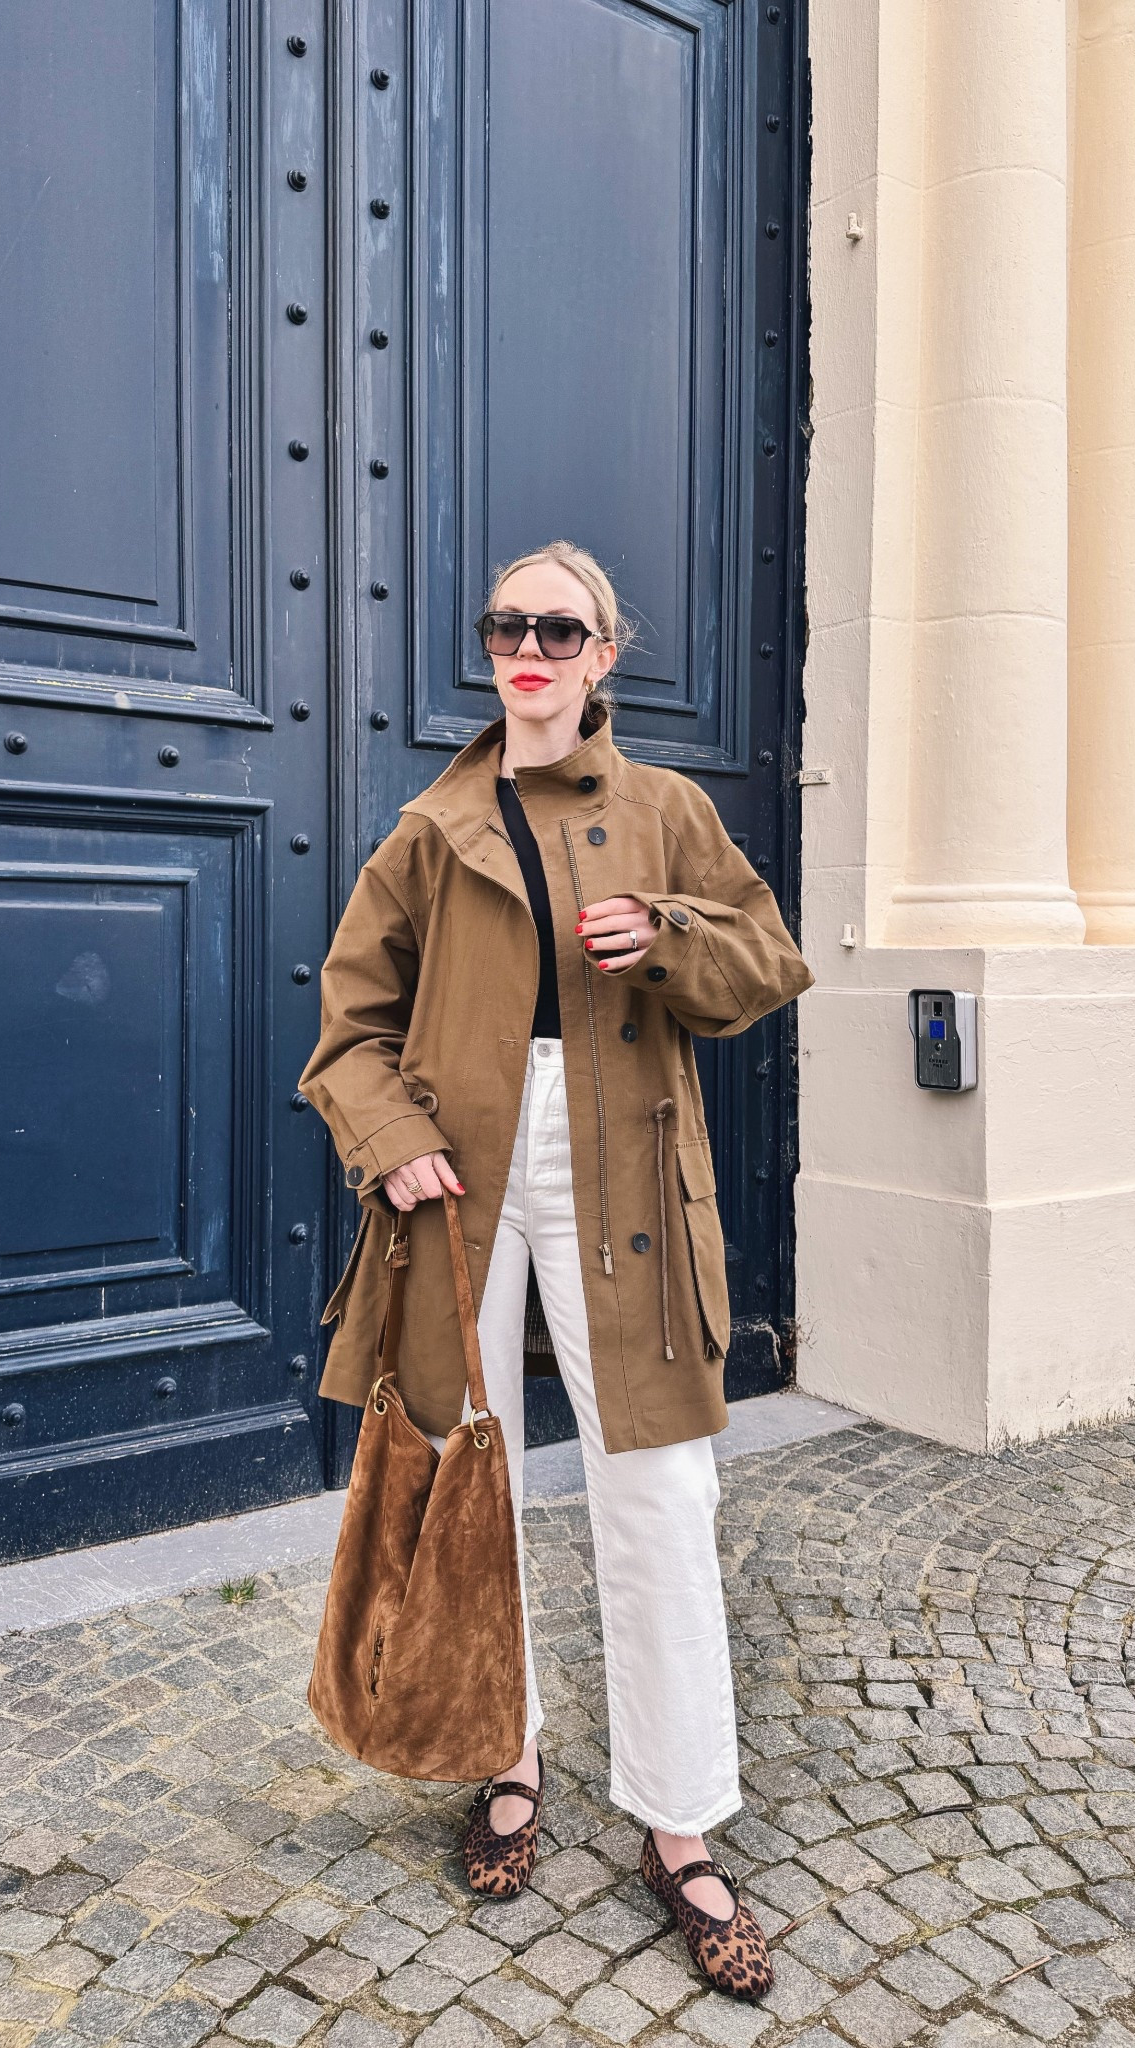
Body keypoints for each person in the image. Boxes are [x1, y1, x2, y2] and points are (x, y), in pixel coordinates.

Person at [299, 540, 814, 2001]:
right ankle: (502, 1760)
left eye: (561, 627)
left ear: (605, 654)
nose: (530, 645)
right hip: (459, 1181)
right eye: (508, 624)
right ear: (493, 649)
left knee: (657, 1489)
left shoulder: (663, 809)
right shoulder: (430, 822)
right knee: (479, 1484)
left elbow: (767, 961)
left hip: (627, 1165)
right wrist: (389, 1136)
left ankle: (678, 1820)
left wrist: (662, 935)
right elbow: (350, 1022)